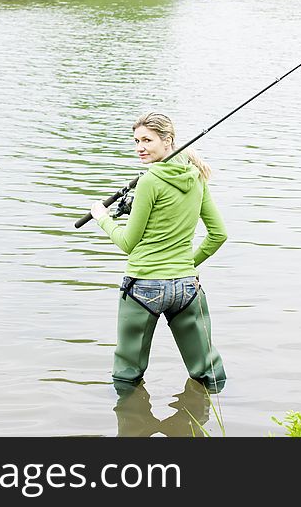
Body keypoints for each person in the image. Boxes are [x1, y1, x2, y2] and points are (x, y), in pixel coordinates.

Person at [90, 112, 227, 392]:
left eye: (147, 140)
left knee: (128, 373)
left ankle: (129, 421)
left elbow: (128, 243)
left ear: (168, 141)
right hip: (188, 288)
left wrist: (102, 217)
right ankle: (219, 419)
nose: (140, 147)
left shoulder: (149, 181)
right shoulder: (197, 178)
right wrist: (185, 265)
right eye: (136, 140)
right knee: (208, 371)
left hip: (144, 287)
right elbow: (218, 235)